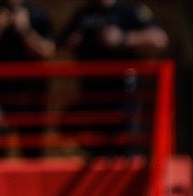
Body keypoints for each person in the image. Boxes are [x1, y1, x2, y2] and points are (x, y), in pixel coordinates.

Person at [58, 0, 168, 158]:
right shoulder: (84, 14)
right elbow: (61, 41)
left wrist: (123, 38)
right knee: (95, 150)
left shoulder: (128, 10)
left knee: (125, 145)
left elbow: (160, 38)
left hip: (124, 92)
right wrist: (73, 42)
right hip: (91, 94)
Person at [0, 0, 55, 160]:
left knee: (32, 155)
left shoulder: (36, 15)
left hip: (30, 98)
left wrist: (25, 30)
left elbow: (47, 52)